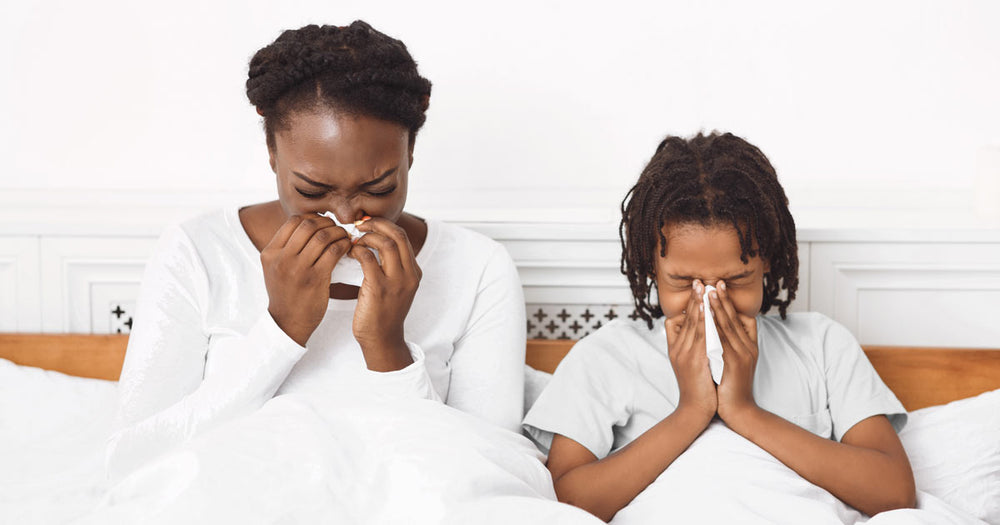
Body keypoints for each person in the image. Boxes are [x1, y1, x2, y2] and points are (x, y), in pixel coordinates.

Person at [107, 21, 525, 480]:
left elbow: (492, 470)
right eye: (312, 190)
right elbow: (134, 461)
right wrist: (282, 329)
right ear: (272, 153)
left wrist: (387, 347)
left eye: (379, 187)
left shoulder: (479, 266)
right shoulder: (198, 250)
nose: (345, 215)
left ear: (410, 152)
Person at [522, 132, 916, 521]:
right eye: (683, 283)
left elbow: (894, 493)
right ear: (651, 268)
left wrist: (744, 411)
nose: (712, 300)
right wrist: (692, 411)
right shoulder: (606, 357)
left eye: (737, 280)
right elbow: (568, 503)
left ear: (767, 263)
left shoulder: (822, 345)